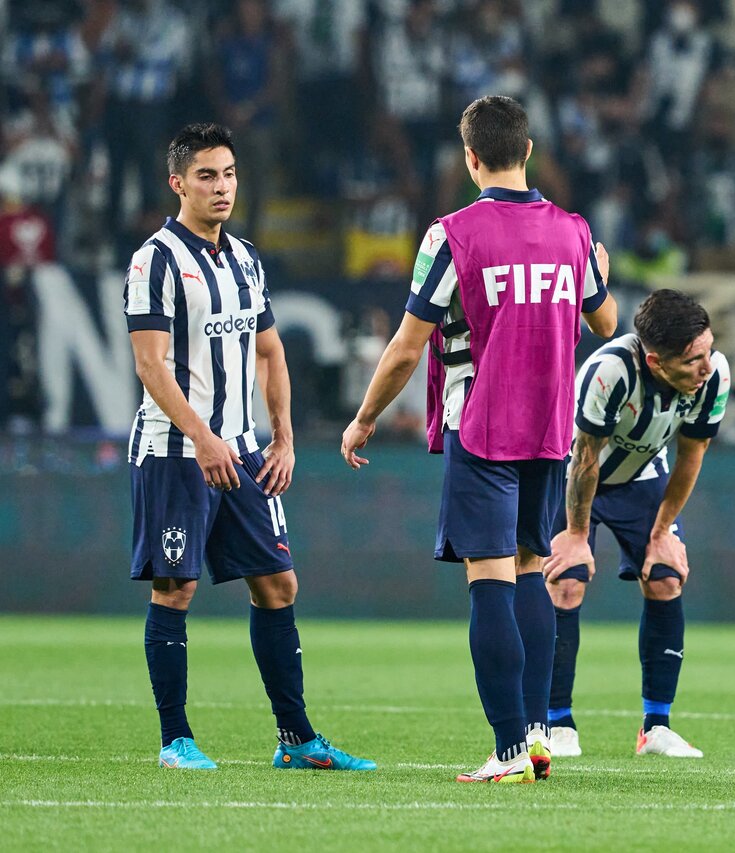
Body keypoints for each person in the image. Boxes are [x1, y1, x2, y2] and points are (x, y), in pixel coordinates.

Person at [341, 96, 617, 784]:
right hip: (550, 428)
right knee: (531, 567)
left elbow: (407, 346)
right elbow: (607, 321)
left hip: (483, 424)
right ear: (529, 152)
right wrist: (600, 271)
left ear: (470, 159)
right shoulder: (574, 232)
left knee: (489, 578)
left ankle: (509, 748)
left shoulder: (452, 235)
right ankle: (537, 731)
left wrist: (365, 415)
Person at [125, 123, 374, 771]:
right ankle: (175, 740)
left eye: (229, 174)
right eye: (206, 175)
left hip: (241, 449)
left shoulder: (244, 257)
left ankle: (296, 739)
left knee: (278, 584)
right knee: (175, 588)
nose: (222, 187)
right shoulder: (155, 260)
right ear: (178, 183)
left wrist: (282, 436)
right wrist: (201, 435)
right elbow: (150, 364)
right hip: (176, 452)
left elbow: (269, 350)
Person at [542, 289, 729, 759]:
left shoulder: (715, 375)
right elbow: (585, 458)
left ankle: (656, 727)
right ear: (655, 362)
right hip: (569, 474)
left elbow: (692, 455)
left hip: (641, 476)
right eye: (692, 360)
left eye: (708, 351)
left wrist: (663, 532)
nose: (706, 367)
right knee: (566, 581)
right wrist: (577, 535)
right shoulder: (611, 372)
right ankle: (557, 725)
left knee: (666, 578)